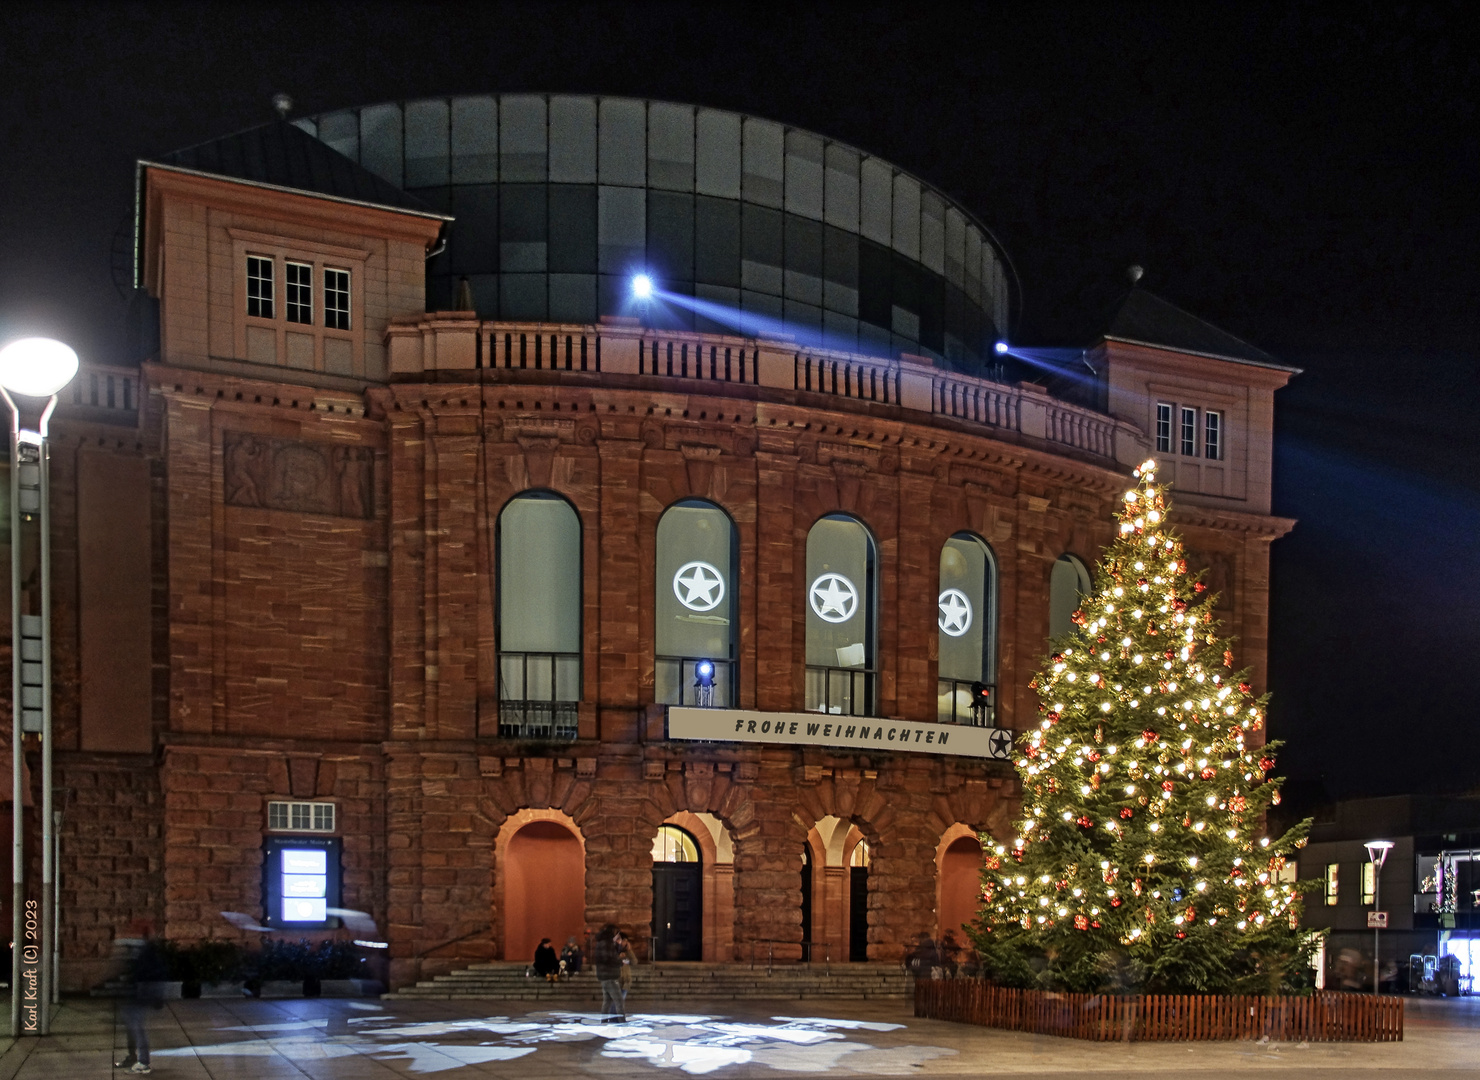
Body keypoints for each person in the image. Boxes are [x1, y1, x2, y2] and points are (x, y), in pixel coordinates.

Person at [115, 919, 168, 1075]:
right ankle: (134, 1057)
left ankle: (143, 1062)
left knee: (136, 1025)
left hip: (145, 990)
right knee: (131, 1023)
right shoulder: (143, 948)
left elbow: (151, 971)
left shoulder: (148, 949)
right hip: (141, 989)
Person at [591, 924, 625, 1022]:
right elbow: (608, 959)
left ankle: (604, 1021)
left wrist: (617, 945)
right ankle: (622, 1022)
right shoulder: (607, 943)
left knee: (607, 1001)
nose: (618, 935)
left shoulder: (602, 942)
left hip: (604, 975)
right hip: (610, 975)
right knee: (618, 1001)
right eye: (617, 933)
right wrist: (620, 962)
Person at [615, 929, 639, 1012]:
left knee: (621, 1002)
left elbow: (634, 962)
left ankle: (619, 1019)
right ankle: (615, 1018)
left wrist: (629, 950)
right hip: (616, 980)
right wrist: (619, 958)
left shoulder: (628, 952)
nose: (624, 943)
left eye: (626, 941)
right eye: (623, 940)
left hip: (626, 981)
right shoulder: (614, 950)